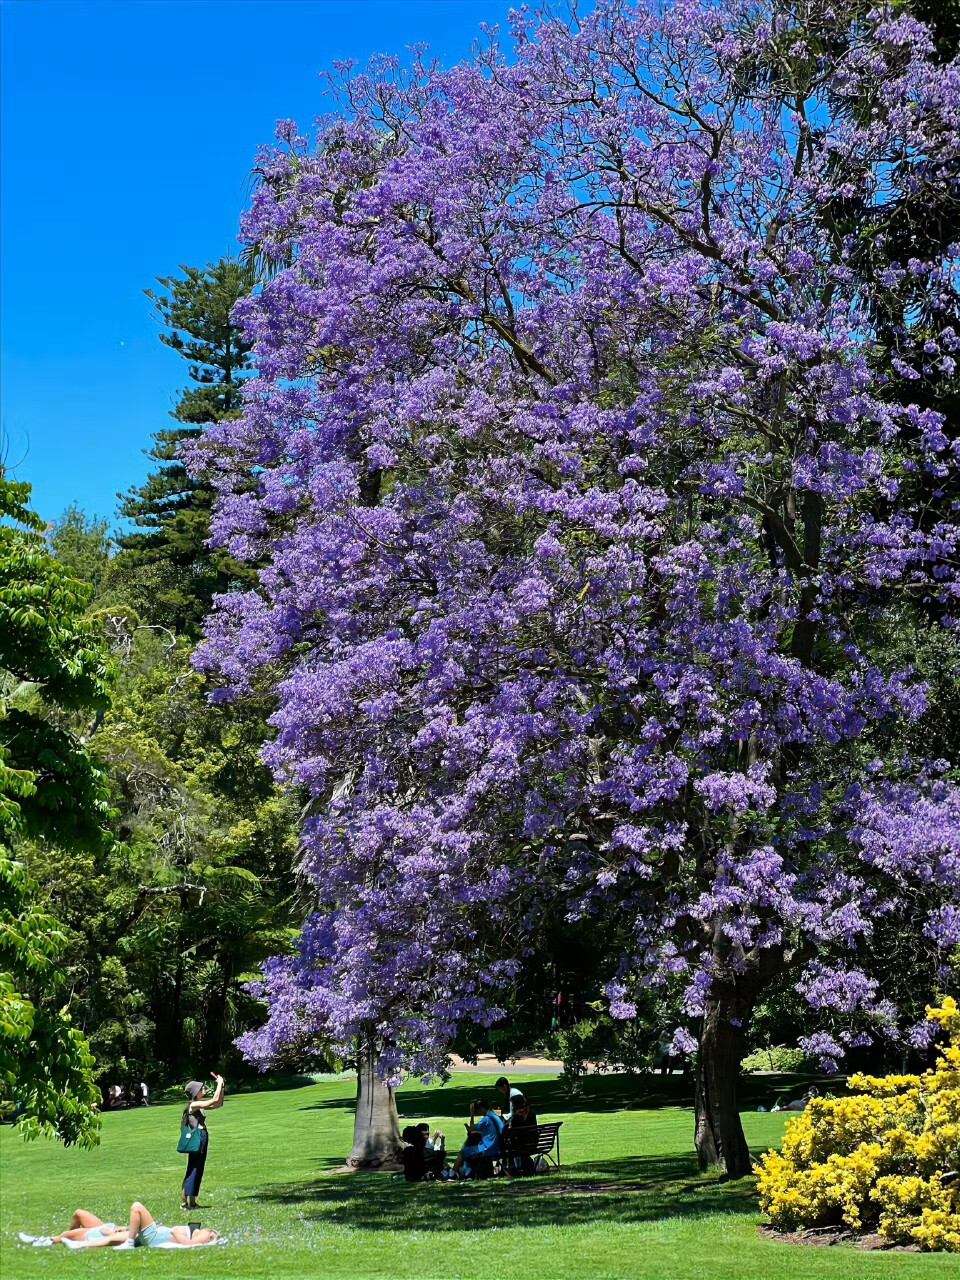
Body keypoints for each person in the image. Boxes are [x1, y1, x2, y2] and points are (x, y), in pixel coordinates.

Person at [47, 1204, 218, 1248]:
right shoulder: (190, 1232)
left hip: (119, 1234)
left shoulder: (202, 1236)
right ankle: (53, 1240)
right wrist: (125, 1228)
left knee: (69, 1235)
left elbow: (190, 1244)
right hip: (117, 1229)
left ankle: (52, 1241)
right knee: (78, 1214)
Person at [181, 1073, 224, 1210]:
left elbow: (218, 1103)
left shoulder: (198, 1105)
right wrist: (219, 1084)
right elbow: (213, 1101)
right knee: (193, 1168)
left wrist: (221, 1087)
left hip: (202, 1137)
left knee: (198, 1168)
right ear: (196, 1092)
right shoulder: (194, 1104)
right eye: (202, 1088)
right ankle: (185, 1203)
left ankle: (192, 1202)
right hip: (198, 1137)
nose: (204, 1089)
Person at [453, 1099, 503, 1179]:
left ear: (483, 1108)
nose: (478, 1112)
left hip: (488, 1149)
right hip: (499, 1147)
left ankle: (453, 1174)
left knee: (463, 1152)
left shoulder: (486, 1119)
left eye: (478, 1110)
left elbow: (472, 1129)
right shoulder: (495, 1117)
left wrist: (472, 1114)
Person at [506, 1094, 539, 1175]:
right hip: (533, 1144)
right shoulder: (532, 1114)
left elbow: (510, 1132)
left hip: (520, 1146)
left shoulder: (516, 1118)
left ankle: (511, 1168)